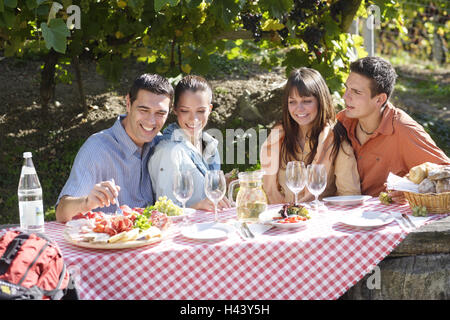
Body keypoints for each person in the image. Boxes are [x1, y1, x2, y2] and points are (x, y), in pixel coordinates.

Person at [55, 74, 173, 222]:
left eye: (160, 113)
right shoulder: (97, 148)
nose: (151, 121)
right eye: (144, 110)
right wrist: (86, 202)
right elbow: (61, 212)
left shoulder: (160, 144)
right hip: (110, 241)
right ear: (128, 103)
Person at [337, 56, 450, 202]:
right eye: (346, 88)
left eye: (356, 92)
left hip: (387, 217)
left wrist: (411, 190)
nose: (345, 96)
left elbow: (446, 173)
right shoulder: (342, 122)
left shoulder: (404, 129)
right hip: (341, 212)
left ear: (380, 99)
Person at [260, 67, 361, 204]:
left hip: (320, 219)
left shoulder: (336, 141)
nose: (299, 109)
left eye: (307, 101)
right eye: (292, 102)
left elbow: (350, 197)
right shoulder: (278, 139)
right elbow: (265, 190)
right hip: (281, 218)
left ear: (320, 101)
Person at [148, 75, 231, 211]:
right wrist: (197, 207)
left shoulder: (210, 145)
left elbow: (210, 196)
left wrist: (224, 185)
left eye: (201, 111)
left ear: (210, 109)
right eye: (185, 111)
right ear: (175, 110)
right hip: (183, 230)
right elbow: (163, 211)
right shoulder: (169, 151)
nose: (194, 119)